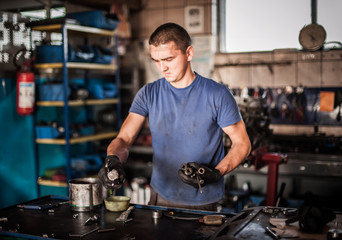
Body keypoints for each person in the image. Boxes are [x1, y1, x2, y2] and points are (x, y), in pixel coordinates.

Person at [98, 22, 251, 211]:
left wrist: (216, 173)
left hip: (202, 202)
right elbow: (124, 138)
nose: (162, 68)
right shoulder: (149, 93)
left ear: (189, 53)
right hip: (160, 197)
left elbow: (242, 144)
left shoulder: (217, 94)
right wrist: (113, 159)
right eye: (156, 60)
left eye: (169, 59)